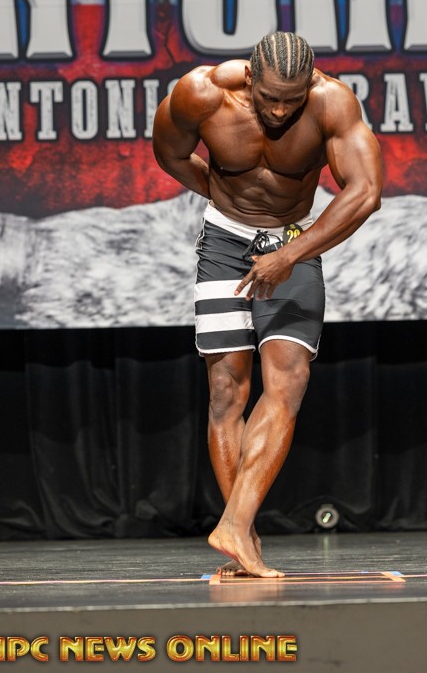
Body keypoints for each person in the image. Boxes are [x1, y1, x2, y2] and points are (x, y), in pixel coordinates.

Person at [152, 31, 382, 577]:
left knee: (289, 380)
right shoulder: (201, 93)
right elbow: (170, 152)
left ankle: (233, 523)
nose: (280, 110)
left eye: (291, 100)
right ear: (250, 76)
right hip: (223, 243)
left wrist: (290, 253)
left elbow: (365, 192)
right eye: (270, 97)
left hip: (293, 240)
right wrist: (220, 194)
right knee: (226, 390)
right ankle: (244, 536)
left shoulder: (332, 103)